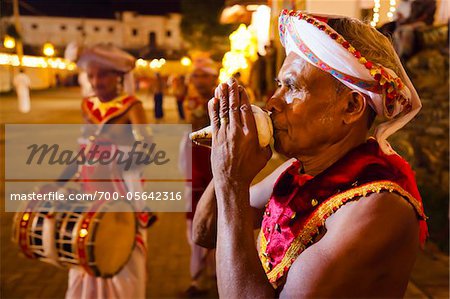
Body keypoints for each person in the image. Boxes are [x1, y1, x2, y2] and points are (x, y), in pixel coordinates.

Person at [192, 10, 428, 297]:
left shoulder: (377, 209)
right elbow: (207, 231)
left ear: (352, 107)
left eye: (292, 87)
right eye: (279, 85)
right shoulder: (298, 171)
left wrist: (231, 181)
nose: (272, 103)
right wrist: (226, 160)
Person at [58, 43, 154, 299]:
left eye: (102, 75)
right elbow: (83, 148)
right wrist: (60, 182)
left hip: (120, 193)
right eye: (91, 75)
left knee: (119, 250)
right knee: (86, 249)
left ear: (118, 77)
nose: (96, 81)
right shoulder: (87, 106)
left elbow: (147, 146)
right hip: (90, 191)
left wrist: (124, 160)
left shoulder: (132, 106)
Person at [179, 57, 218, 296]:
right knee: (195, 219)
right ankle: (197, 278)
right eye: (196, 76)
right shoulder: (192, 101)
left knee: (220, 216)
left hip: (216, 163)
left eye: (205, 75)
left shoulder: (223, 100)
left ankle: (215, 273)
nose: (200, 81)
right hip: (195, 164)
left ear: (214, 77)